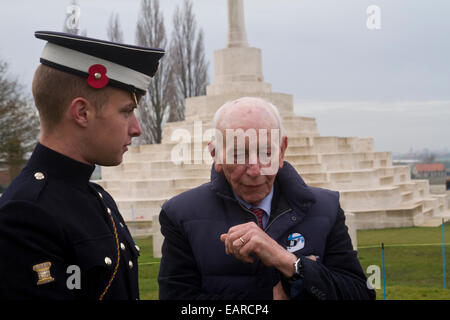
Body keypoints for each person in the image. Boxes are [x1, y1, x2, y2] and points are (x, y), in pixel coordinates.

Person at [158, 97, 376, 300]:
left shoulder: (325, 208)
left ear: (282, 151)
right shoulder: (181, 215)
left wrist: (290, 263)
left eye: (265, 152)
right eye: (238, 154)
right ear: (216, 154)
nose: (254, 170)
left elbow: (361, 294)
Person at [0, 31, 164, 300]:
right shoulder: (25, 215)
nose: (137, 129)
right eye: (126, 111)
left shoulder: (98, 198)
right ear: (82, 113)